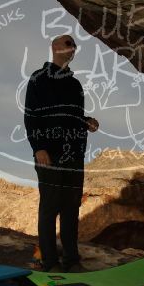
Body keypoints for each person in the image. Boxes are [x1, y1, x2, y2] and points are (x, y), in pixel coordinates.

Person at [24, 35, 99, 273]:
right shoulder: (38, 78)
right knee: (50, 207)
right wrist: (39, 148)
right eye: (67, 43)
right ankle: (49, 261)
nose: (72, 48)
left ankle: (71, 260)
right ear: (55, 48)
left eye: (74, 45)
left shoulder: (75, 85)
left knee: (71, 207)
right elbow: (31, 116)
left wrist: (87, 121)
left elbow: (73, 116)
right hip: (49, 153)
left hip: (74, 154)